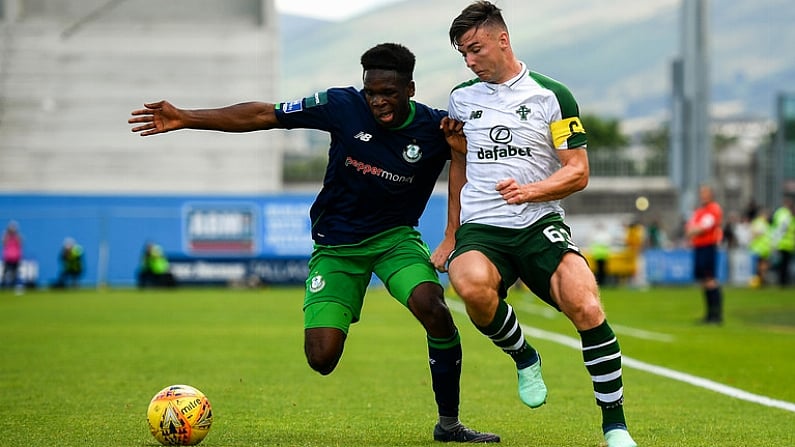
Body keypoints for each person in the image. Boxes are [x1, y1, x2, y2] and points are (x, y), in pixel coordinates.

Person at [128, 43, 498, 443]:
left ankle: (449, 424)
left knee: (433, 308)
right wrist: (186, 117)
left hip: (395, 240)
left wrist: (456, 232)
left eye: (387, 93)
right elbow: (262, 114)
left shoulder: (435, 128)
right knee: (321, 359)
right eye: (371, 92)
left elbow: (480, 158)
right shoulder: (341, 105)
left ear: (410, 88)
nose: (378, 102)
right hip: (336, 246)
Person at [432, 3, 637, 446]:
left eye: (475, 49)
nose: (469, 61)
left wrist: (533, 191)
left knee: (586, 305)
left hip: (540, 222)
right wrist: (450, 234)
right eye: (462, 54)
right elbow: (459, 168)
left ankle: (615, 426)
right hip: (484, 226)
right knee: (469, 287)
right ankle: (524, 355)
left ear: (502, 39)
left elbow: (577, 170)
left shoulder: (552, 95)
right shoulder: (462, 98)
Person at [685, 184, 724, 324]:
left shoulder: (713, 209)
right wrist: (693, 230)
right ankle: (709, 314)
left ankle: (716, 315)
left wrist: (693, 231)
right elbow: (691, 226)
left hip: (708, 246)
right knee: (704, 281)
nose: (702, 195)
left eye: (705, 192)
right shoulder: (700, 211)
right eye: (701, 192)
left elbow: (703, 227)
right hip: (699, 247)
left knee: (710, 279)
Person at [770, 196, 794, 287]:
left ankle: (782, 281)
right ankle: (783, 282)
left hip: (782, 243)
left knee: (782, 265)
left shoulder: (779, 212)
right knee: (784, 265)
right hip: (785, 244)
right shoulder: (786, 214)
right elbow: (782, 228)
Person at [748, 208, 771, 288]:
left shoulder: (765, 223)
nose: (767, 216)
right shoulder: (760, 223)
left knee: (762, 266)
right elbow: (755, 234)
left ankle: (760, 281)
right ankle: (758, 282)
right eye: (766, 215)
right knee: (759, 267)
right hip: (759, 249)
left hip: (764, 249)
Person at [1, 220, 24, 294]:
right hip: (8, 258)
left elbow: (21, 242)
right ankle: (4, 286)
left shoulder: (18, 236)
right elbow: (3, 242)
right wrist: (7, 235)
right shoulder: (6, 236)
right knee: (5, 273)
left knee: (16, 273)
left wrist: (15, 235)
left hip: (16, 258)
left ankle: (17, 286)